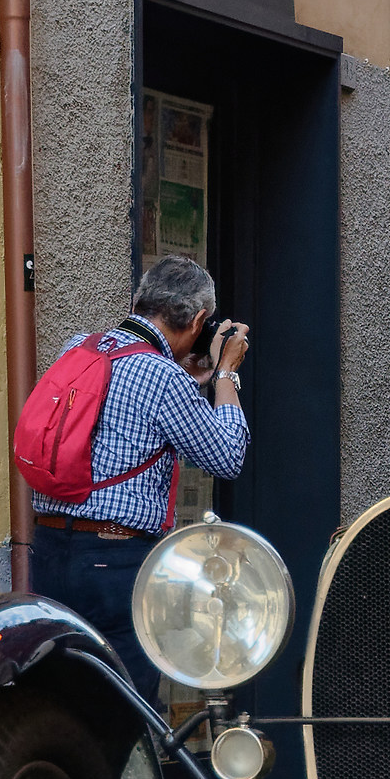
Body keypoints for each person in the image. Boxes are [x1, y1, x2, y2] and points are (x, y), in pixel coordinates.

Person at [30, 256, 249, 693]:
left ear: (139, 301)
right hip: (115, 563)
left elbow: (120, 421)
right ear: (201, 320)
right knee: (122, 710)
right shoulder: (163, 378)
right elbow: (228, 456)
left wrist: (191, 379)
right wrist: (225, 374)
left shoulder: (79, 348)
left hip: (51, 553)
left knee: (62, 702)